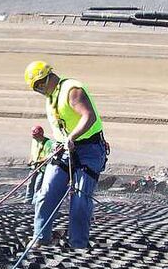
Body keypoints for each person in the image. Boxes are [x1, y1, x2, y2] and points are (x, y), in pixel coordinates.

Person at [24, 61, 107, 249]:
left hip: (89, 150)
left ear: (48, 77)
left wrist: (72, 137)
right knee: (46, 193)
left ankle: (78, 244)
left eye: (40, 85)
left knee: (79, 198)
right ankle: (41, 237)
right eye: (36, 88)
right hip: (64, 150)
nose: (39, 90)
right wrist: (59, 142)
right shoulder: (51, 97)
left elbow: (88, 116)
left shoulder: (72, 90)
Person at [26, 125, 54, 205]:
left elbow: (49, 157)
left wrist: (39, 162)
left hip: (42, 169)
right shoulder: (34, 141)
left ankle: (35, 202)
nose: (33, 136)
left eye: (35, 135)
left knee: (37, 186)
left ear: (40, 134)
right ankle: (28, 200)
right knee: (30, 183)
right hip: (34, 167)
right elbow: (33, 153)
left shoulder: (48, 143)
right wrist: (30, 160)